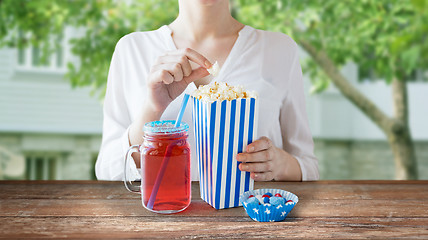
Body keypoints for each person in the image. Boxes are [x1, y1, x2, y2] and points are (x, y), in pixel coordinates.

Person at [95, 0, 319, 182]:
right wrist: (153, 108)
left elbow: (308, 167)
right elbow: (107, 170)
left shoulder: (279, 49)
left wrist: (280, 164)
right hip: (164, 224)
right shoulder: (132, 49)